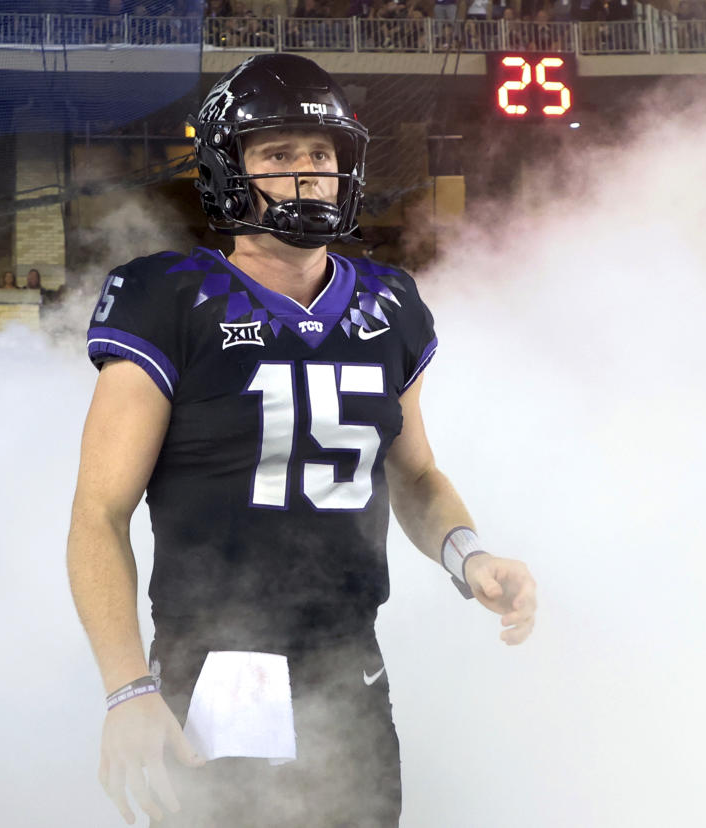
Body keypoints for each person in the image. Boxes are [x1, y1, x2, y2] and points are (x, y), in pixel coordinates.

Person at [67, 54, 537, 828]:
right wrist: (127, 688)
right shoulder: (169, 296)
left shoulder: (389, 303)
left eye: (321, 154)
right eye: (278, 155)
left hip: (349, 663)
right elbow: (99, 510)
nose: (308, 173)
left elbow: (414, 474)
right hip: (224, 665)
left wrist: (469, 554)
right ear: (230, 171)